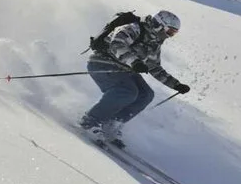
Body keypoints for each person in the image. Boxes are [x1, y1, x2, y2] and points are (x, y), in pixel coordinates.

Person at [80, 9, 191, 147]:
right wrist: (134, 62)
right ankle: (90, 121)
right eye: (169, 32)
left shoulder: (154, 43)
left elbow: (154, 67)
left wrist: (176, 85)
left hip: (124, 69)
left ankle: (112, 124)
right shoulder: (135, 28)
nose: (169, 36)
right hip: (103, 62)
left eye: (173, 34)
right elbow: (117, 44)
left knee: (146, 94)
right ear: (159, 24)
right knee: (127, 91)